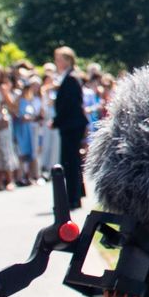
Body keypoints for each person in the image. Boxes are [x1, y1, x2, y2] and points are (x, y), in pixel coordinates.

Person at [52, 46, 88, 211]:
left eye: (59, 59)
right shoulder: (69, 77)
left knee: (70, 161)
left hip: (71, 125)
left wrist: (56, 121)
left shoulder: (71, 78)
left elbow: (68, 105)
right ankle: (75, 194)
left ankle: (73, 197)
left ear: (67, 60)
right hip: (71, 124)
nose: (57, 63)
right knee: (72, 161)